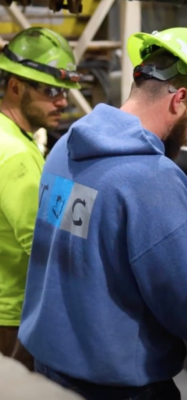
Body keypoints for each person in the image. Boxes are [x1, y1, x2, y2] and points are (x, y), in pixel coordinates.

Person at [18, 27, 187, 400]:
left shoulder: (65, 148)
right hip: (115, 388)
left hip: (48, 370)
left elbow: (86, 250)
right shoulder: (151, 178)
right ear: (179, 100)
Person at [0, 27, 80, 369]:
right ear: (16, 87)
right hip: (12, 314)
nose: (62, 101)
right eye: (50, 91)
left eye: (63, 92)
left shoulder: (13, 138)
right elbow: (45, 241)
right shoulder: (17, 155)